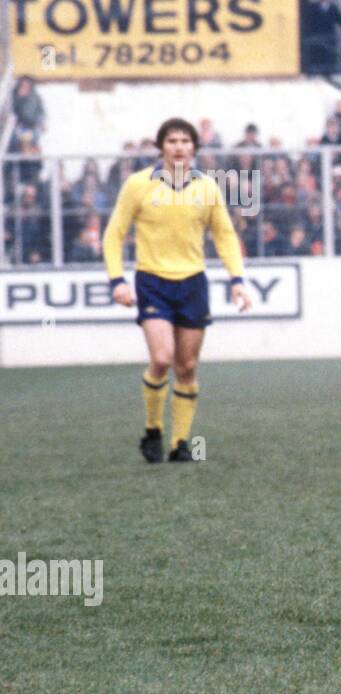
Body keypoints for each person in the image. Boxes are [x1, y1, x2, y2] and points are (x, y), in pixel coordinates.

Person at [103, 118, 253, 463]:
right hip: (152, 281)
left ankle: (180, 443)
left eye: (186, 141)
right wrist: (117, 280)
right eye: (172, 140)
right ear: (161, 147)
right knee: (161, 359)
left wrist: (237, 280)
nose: (179, 146)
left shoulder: (207, 188)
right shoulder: (138, 185)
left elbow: (225, 236)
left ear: (195, 148)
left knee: (186, 366)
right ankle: (153, 430)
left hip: (193, 284)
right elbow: (113, 234)